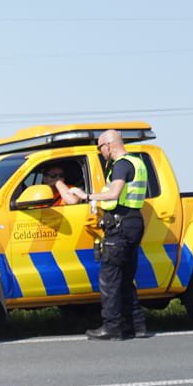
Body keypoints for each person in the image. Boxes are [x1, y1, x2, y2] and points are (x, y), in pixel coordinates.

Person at [80, 129, 150, 340]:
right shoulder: (137, 162)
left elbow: (114, 193)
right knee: (126, 277)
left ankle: (112, 327)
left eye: (100, 147)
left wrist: (88, 196)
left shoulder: (121, 164)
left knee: (110, 278)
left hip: (120, 225)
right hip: (133, 221)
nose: (100, 152)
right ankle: (137, 325)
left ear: (109, 145)